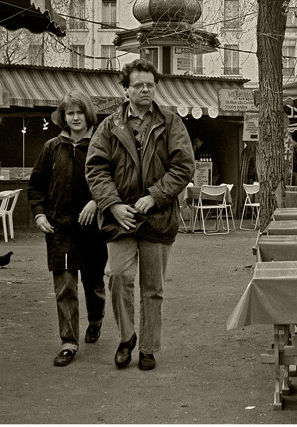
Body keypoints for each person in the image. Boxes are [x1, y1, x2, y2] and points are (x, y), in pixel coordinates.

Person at [85, 58, 195, 372]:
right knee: (118, 277)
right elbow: (95, 169)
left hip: (157, 218)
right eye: (138, 85)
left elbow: (184, 167)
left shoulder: (171, 122)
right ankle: (126, 337)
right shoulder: (110, 125)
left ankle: (148, 348)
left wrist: (155, 196)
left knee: (153, 287)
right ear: (126, 89)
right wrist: (112, 204)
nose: (145, 90)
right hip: (120, 219)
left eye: (150, 84)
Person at [27, 91, 107, 367]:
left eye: (79, 112)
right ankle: (69, 342)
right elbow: (35, 185)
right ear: (63, 116)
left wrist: (97, 202)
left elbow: (114, 181)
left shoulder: (101, 144)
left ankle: (96, 320)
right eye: (70, 113)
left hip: (93, 229)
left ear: (88, 115)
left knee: (94, 285)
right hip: (59, 230)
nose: (75, 117)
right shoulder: (52, 147)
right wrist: (39, 214)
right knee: (65, 289)